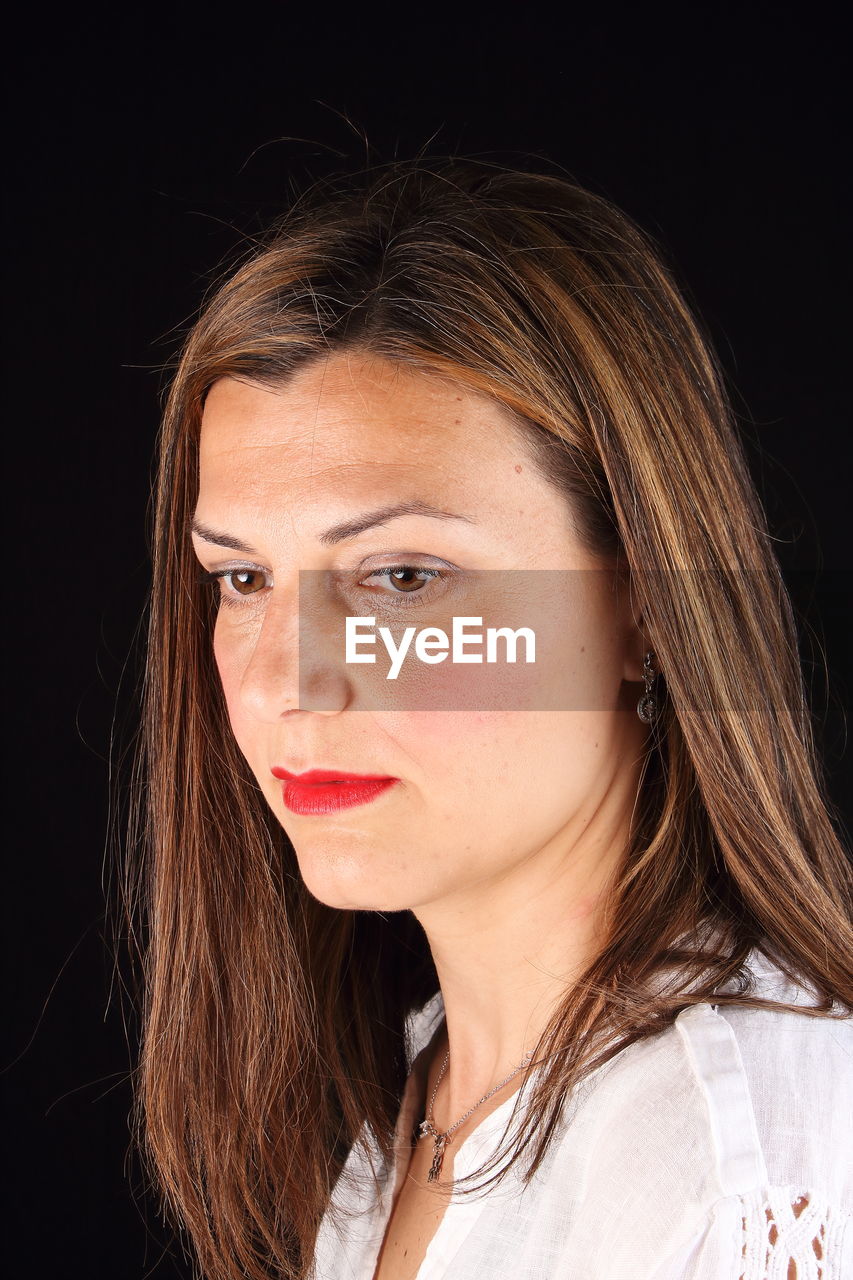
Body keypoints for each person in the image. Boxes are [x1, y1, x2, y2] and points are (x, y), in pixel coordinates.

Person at [130, 157, 853, 1280]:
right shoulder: (416, 1097)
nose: (290, 682)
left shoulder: (734, 1160)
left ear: (644, 611)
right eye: (240, 578)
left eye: (405, 576)